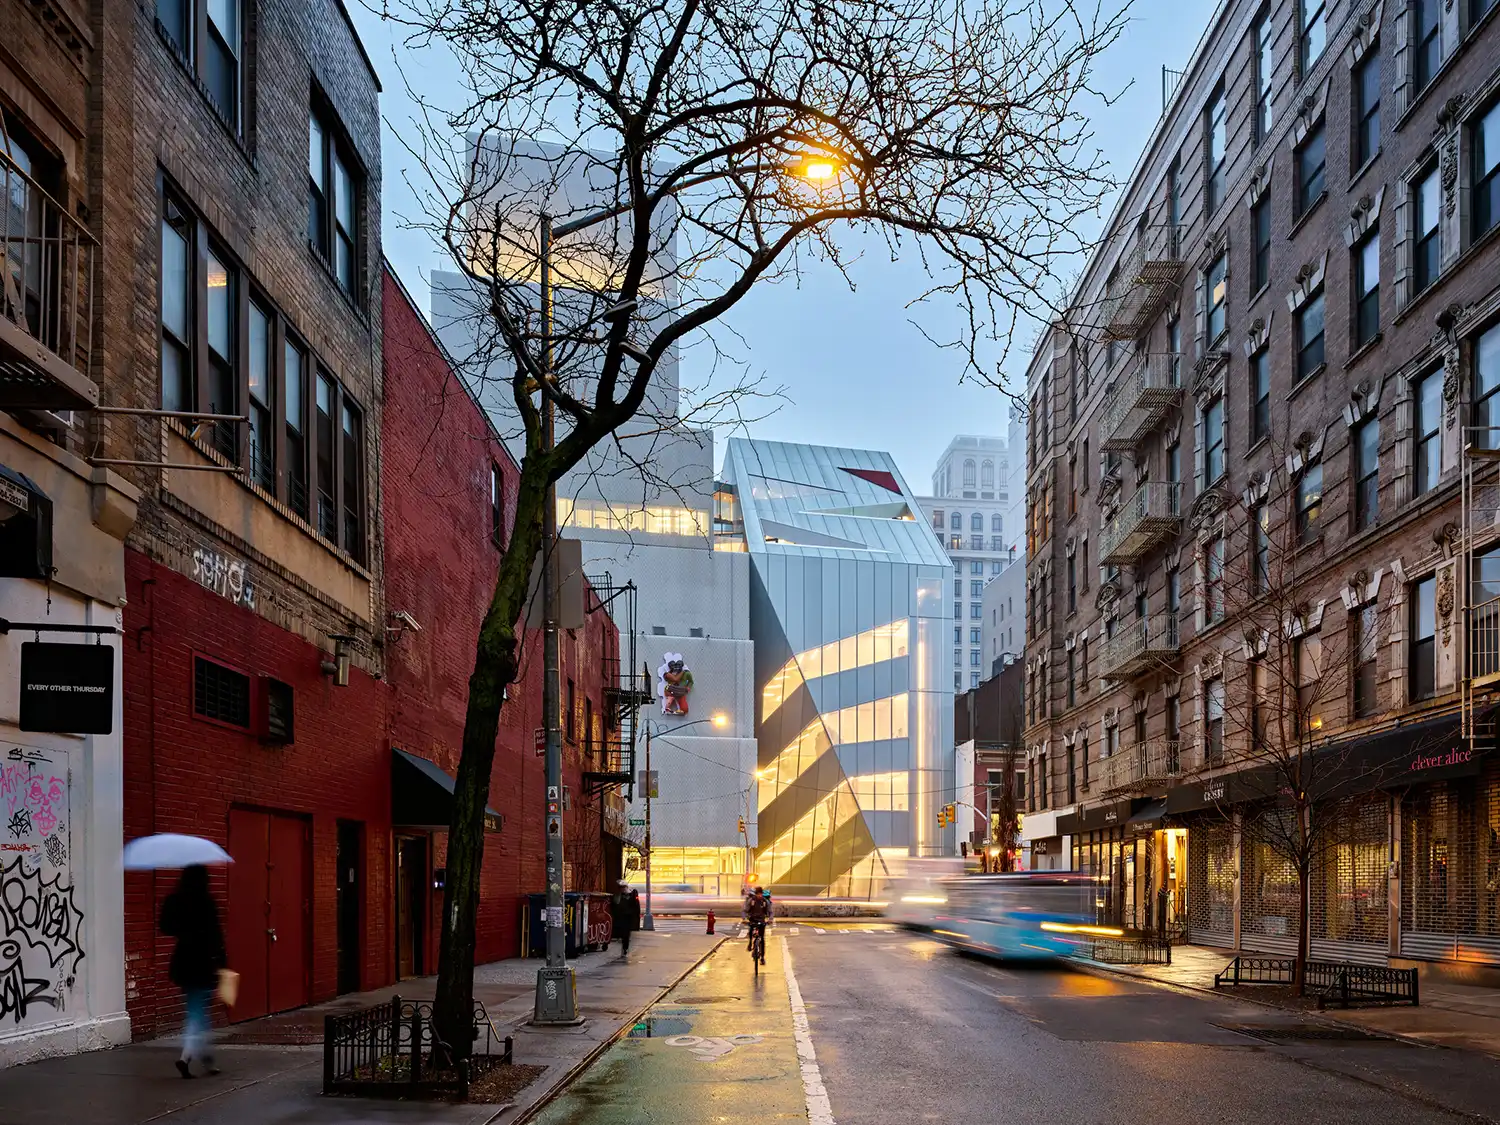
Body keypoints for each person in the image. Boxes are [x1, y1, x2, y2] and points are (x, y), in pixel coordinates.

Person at [160, 865, 226, 1078]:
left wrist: (183, 928)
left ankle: (207, 1058)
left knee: (197, 1008)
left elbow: (165, 927)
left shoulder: (176, 900)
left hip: (184, 960)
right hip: (204, 960)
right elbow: (216, 935)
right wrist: (223, 962)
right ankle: (186, 1056)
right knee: (197, 1010)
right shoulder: (206, 902)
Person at [744, 886, 770, 956]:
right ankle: (750, 943)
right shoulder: (751, 900)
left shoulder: (765, 901)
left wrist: (770, 919)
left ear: (762, 894)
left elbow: (769, 911)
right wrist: (745, 918)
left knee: (762, 938)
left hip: (761, 920)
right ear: (755, 894)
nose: (759, 895)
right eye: (757, 894)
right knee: (751, 931)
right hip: (753, 919)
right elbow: (746, 910)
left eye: (760, 894)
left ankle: (762, 957)